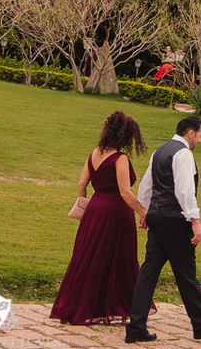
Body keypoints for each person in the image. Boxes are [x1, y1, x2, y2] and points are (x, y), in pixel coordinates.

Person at [126, 117, 201, 343]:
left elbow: (147, 185)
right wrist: (195, 220)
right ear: (190, 133)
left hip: (157, 217)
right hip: (175, 219)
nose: (200, 141)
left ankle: (135, 326)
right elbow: (184, 191)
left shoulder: (159, 151)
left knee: (148, 272)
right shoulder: (183, 154)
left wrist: (145, 211)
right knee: (186, 275)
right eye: (200, 136)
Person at [51, 111, 151, 325]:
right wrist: (143, 212)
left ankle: (84, 305)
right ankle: (117, 305)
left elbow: (81, 185)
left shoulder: (95, 153)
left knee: (90, 258)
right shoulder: (120, 158)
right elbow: (125, 192)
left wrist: (85, 206)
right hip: (115, 212)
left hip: (94, 210)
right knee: (118, 259)